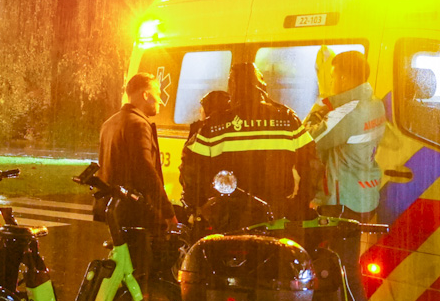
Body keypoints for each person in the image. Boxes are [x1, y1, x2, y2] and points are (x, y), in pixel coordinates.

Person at [183, 62, 313, 217]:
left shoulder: (215, 124)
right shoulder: (286, 118)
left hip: (229, 214)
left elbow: (191, 169)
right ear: (262, 85)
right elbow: (311, 164)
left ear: (233, 87)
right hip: (276, 213)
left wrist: (199, 205)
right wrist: (300, 202)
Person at [97, 73, 175, 249]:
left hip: (114, 209)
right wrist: (167, 212)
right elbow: (145, 171)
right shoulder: (138, 124)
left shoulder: (110, 123)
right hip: (135, 213)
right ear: (145, 95)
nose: (161, 101)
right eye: (158, 93)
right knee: (141, 269)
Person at [306, 50, 386, 219]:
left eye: (332, 77)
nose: (331, 82)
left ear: (343, 79)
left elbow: (307, 141)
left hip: (343, 202)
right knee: (350, 244)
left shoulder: (347, 113)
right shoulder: (375, 104)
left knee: (331, 245)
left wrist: (315, 114)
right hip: (365, 195)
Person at [178, 88, 232, 209]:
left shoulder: (202, 133)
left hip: (205, 205)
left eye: (203, 107)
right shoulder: (235, 132)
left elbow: (189, 173)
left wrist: (194, 205)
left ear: (209, 110)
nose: (200, 111)